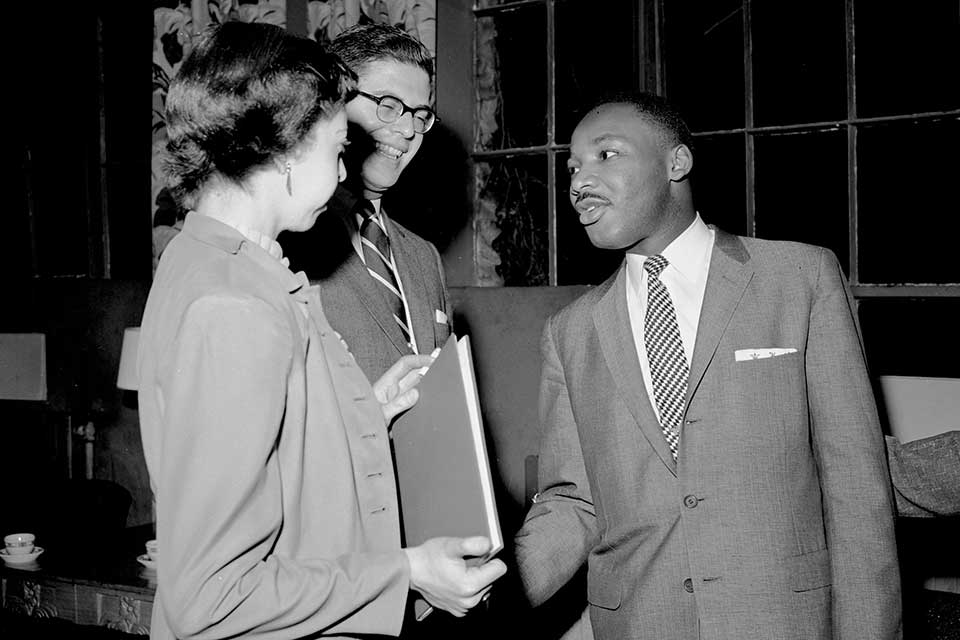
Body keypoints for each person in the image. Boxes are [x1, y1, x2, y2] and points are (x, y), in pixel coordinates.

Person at [138, 21, 505, 640]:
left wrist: (366, 409)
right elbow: (212, 597)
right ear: (284, 149)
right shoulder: (236, 306)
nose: (344, 174)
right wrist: (406, 571)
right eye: (338, 149)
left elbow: (280, 446)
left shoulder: (207, 258)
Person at [513, 91, 901, 639]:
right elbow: (574, 503)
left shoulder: (800, 279)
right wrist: (489, 584)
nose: (578, 182)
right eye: (572, 166)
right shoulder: (570, 331)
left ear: (677, 162)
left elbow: (856, 489)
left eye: (606, 155)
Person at [282, 23, 451, 382]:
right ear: (334, 104)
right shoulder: (282, 241)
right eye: (389, 106)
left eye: (420, 116)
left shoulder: (424, 257)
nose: (408, 131)